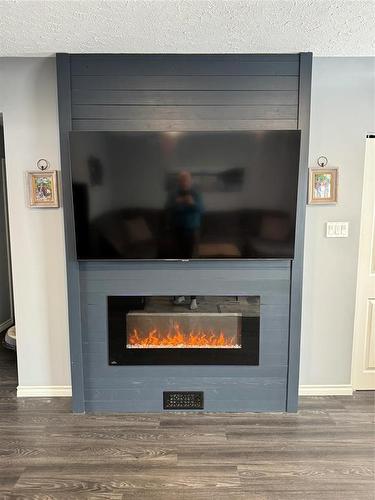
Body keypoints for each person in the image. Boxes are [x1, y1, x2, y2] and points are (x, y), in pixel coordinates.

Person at [167, 170, 203, 310]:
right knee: (178, 265)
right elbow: (169, 209)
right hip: (177, 231)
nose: (184, 182)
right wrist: (182, 204)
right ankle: (181, 294)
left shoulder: (196, 194)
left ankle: (193, 298)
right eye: (181, 179)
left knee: (192, 265)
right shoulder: (174, 194)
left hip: (192, 232)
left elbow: (201, 209)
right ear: (179, 181)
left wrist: (192, 203)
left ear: (190, 180)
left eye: (186, 179)